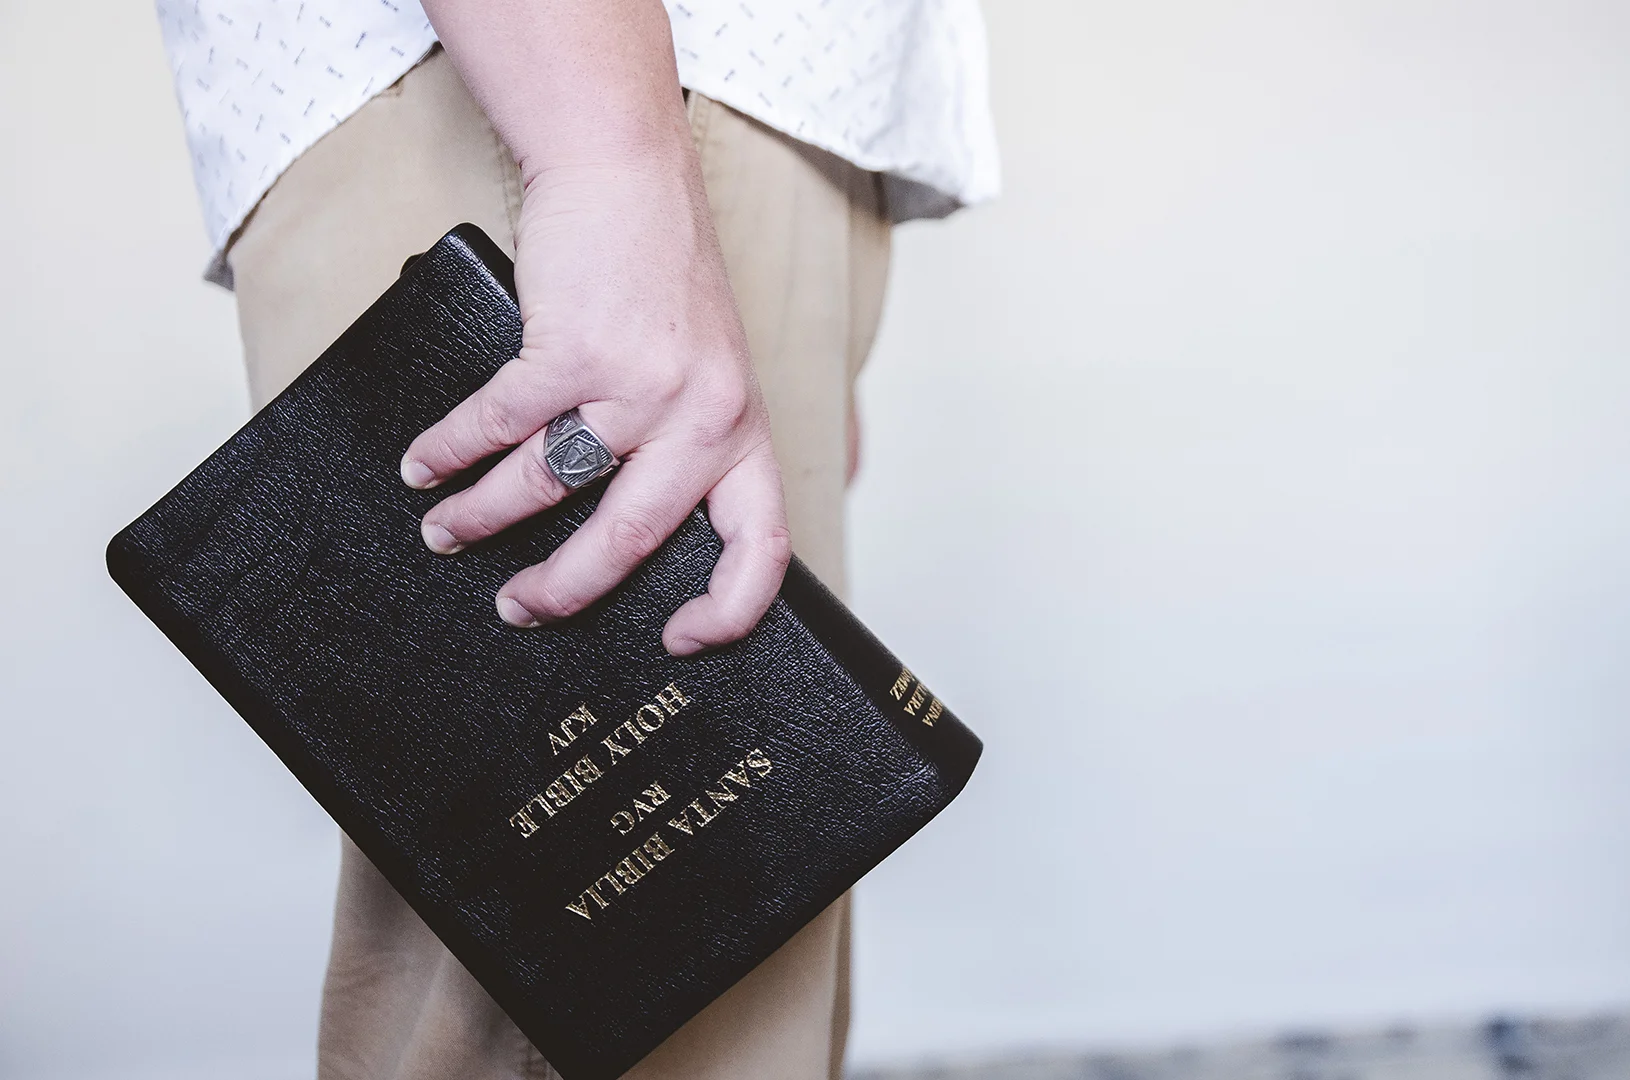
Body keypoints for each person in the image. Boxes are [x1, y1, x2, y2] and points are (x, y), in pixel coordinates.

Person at [151, 1, 998, 1077]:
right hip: (567, 84)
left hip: (673, 104)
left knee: (743, 913)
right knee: (637, 962)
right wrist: (610, 165)